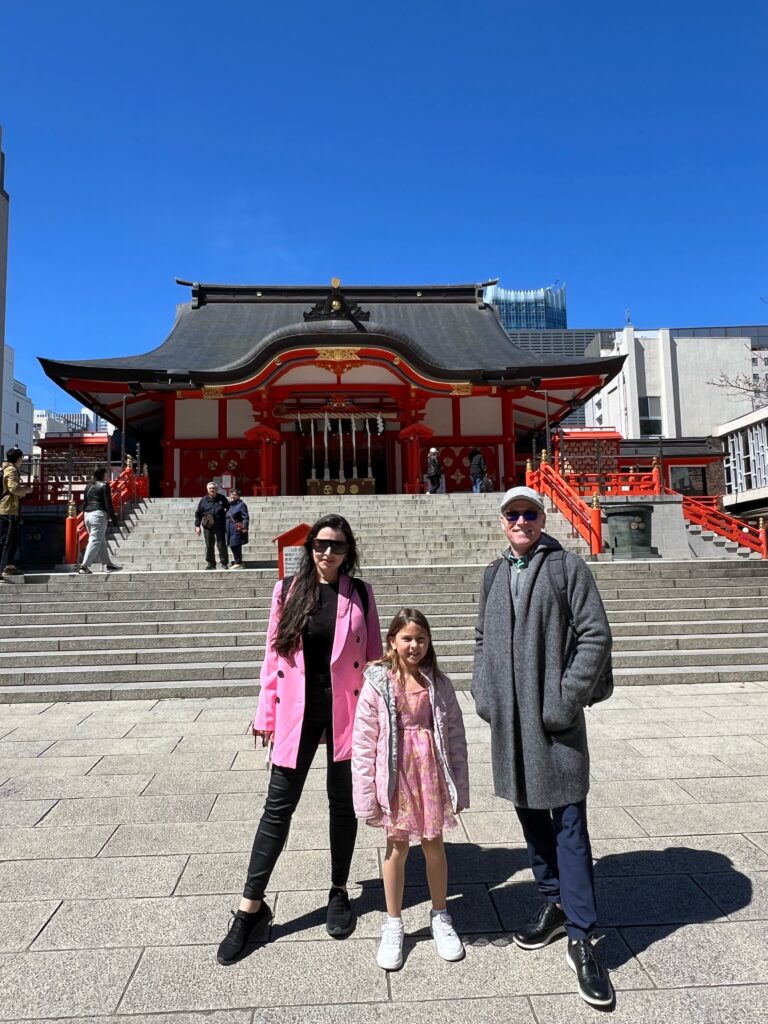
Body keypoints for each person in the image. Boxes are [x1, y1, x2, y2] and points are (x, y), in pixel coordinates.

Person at [216, 513, 382, 966]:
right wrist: (264, 715)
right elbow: (272, 657)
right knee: (278, 806)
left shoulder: (361, 593)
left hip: (346, 712)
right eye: (320, 544)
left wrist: (383, 719)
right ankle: (250, 907)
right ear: (309, 547)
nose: (328, 552)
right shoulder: (287, 590)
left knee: (341, 804)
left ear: (349, 552)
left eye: (338, 546)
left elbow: (373, 662)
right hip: (297, 711)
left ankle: (339, 890)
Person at [472, 485, 614, 1008]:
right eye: (513, 514)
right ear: (502, 520)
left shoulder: (566, 568)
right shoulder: (492, 573)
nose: (521, 521)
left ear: (542, 518)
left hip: (554, 723)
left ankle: (582, 936)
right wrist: (484, 694)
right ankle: (552, 903)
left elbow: (596, 635)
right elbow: (482, 638)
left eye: (530, 513)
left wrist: (564, 699)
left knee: (569, 825)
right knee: (531, 818)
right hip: (510, 723)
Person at [353, 608, 469, 971]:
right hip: (395, 773)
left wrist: (460, 786)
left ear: (429, 641)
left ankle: (440, 914)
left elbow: (455, 737)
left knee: (434, 844)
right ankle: (394, 922)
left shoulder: (439, 683)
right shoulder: (378, 683)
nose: (414, 645)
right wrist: (365, 794)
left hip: (430, 771)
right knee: (397, 847)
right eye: (406, 638)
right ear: (392, 642)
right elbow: (364, 742)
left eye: (420, 638)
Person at [77, 466, 122, 575]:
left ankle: (108, 564)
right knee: (95, 540)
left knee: (100, 540)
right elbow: (108, 503)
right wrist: (114, 519)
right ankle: (84, 566)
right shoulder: (104, 485)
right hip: (98, 514)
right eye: (105, 474)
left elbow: (85, 503)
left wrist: (83, 518)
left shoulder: (88, 486)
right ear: (102, 474)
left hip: (87, 514)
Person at [0, 448, 33, 583]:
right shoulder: (11, 470)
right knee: (5, 541)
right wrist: (26, 490)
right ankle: (2, 568)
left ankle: (9, 566)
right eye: (22, 458)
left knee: (13, 540)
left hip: (10, 509)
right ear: (18, 459)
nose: (22, 461)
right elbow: (13, 488)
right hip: (7, 509)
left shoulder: (6, 469)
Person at [195, 481, 230, 570]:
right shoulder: (203, 500)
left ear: (217, 489)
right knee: (209, 545)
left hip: (220, 524)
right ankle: (211, 563)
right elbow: (198, 513)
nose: (212, 490)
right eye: (210, 488)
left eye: (214, 488)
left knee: (221, 544)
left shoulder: (222, 498)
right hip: (208, 525)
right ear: (207, 490)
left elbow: (229, 509)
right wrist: (197, 526)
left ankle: (224, 563)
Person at [225, 488, 250, 569]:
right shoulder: (230, 504)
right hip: (229, 528)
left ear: (239, 496)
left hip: (237, 528)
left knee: (235, 544)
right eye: (231, 494)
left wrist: (245, 527)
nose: (232, 496)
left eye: (234, 495)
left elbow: (245, 517)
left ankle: (238, 562)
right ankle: (237, 561)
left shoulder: (241, 505)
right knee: (232, 545)